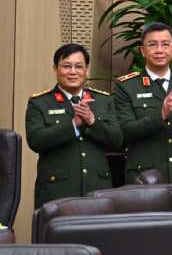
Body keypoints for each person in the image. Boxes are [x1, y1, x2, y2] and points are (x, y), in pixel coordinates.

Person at [26, 43, 123, 208]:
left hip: (97, 188)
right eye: (66, 66)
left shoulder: (103, 100)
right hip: (57, 190)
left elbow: (117, 140)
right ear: (56, 69)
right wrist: (74, 125)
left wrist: (92, 122)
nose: (73, 72)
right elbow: (36, 141)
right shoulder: (40, 103)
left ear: (86, 70)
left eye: (79, 66)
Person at [113, 22, 172, 183]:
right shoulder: (126, 86)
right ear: (142, 51)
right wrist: (161, 115)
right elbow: (123, 133)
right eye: (153, 45)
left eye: (165, 44)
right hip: (144, 177)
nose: (159, 50)